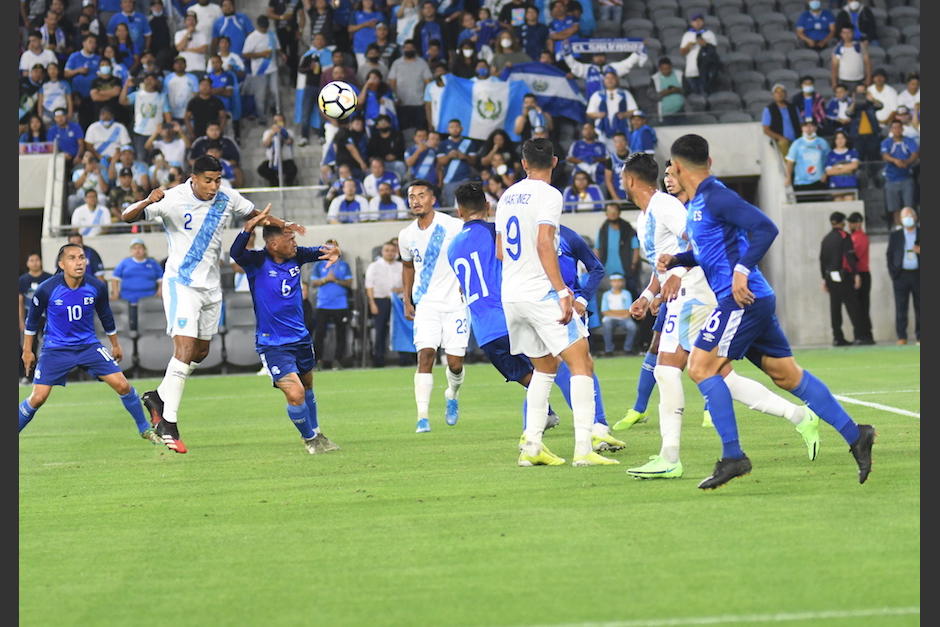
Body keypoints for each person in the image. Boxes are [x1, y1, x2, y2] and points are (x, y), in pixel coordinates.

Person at [659, 133, 875, 489]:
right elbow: (711, 251)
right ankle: (857, 434)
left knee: (700, 366)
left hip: (740, 299)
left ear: (678, 168)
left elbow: (765, 227)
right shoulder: (700, 203)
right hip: (754, 298)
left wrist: (742, 271)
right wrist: (679, 259)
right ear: (708, 162)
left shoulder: (716, 196)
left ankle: (733, 457)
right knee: (787, 376)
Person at [121, 155, 305, 454]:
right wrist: (146, 200)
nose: (213, 186)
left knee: (200, 352)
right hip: (182, 284)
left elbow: (253, 212)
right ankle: (169, 421)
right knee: (183, 348)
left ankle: (158, 396)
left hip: (210, 286)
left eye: (217, 179)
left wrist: (283, 224)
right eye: (208, 180)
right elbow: (127, 215)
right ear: (192, 178)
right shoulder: (171, 199)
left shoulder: (226, 197)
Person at [447, 181, 624, 452]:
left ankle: (534, 434)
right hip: (514, 310)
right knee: (573, 363)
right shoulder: (497, 232)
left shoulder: (453, 247)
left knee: (540, 375)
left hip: (484, 333)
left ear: (459, 213)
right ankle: (596, 430)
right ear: (488, 207)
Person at [494, 138, 616, 466]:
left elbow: (500, 250)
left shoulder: (506, 196)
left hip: (512, 294)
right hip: (540, 294)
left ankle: (532, 447)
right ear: (555, 161)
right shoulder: (549, 195)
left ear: (522, 163)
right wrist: (563, 292)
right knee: (582, 364)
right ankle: (583, 450)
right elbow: (545, 242)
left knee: (545, 368)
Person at [19, 243, 162, 446]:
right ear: (61, 264)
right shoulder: (47, 289)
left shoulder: (96, 286)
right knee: (37, 398)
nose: (79, 262)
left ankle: (144, 429)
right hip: (56, 349)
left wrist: (115, 344)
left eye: (81, 257)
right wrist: (27, 350)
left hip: (89, 346)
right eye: (73, 258)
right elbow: (31, 321)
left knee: (122, 385)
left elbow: (106, 316)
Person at [229, 207, 340, 453]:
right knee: (295, 392)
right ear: (274, 243)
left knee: (308, 387)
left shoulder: (297, 256)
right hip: (272, 344)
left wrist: (335, 252)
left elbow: (326, 250)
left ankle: (318, 433)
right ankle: (310, 440)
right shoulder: (256, 261)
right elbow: (235, 252)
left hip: (300, 338)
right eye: (289, 240)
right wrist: (248, 227)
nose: (294, 243)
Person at [398, 180, 468, 432]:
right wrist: (407, 299)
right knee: (425, 355)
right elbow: (407, 267)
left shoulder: (453, 226)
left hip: (455, 304)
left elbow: (472, 251)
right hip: (426, 303)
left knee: (455, 363)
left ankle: (452, 395)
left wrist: (467, 281)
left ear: (433, 199)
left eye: (421, 195)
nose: (415, 200)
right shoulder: (406, 235)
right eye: (411, 196)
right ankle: (422, 417)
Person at [820, 211, 864, 346]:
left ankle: (837, 337)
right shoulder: (845, 237)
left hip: (830, 277)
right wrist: (856, 274)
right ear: (842, 223)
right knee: (853, 306)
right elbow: (849, 257)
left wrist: (824, 279)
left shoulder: (826, 239)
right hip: (843, 276)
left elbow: (822, 260)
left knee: (835, 308)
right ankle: (859, 335)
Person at [309, 238, 353, 370]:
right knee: (320, 334)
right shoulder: (318, 265)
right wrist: (326, 279)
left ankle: (338, 361)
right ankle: (317, 361)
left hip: (341, 305)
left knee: (341, 333)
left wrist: (336, 280)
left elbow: (349, 282)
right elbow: (314, 283)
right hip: (323, 304)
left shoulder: (344, 265)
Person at [365, 241, 404, 367]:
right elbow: (369, 286)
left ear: (396, 252)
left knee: (401, 329)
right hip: (380, 300)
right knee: (380, 330)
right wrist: (372, 303)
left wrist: (400, 290)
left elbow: (408, 284)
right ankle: (379, 359)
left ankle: (404, 358)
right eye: (387, 250)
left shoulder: (401, 266)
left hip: (398, 301)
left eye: (392, 251)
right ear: (382, 252)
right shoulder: (374, 266)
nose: (390, 253)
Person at [886, 207, 920, 345]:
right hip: (901, 275)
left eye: (909, 215)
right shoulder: (896, 235)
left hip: (918, 274)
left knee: (920, 307)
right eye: (904, 216)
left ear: (915, 217)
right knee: (901, 307)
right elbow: (889, 255)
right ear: (900, 219)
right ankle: (902, 336)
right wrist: (894, 272)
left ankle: (920, 336)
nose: (907, 219)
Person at [564, 49, 648, 103]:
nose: (599, 58)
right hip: (592, 103)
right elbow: (574, 65)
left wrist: (637, 53)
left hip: (611, 102)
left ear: (605, 57)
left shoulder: (612, 68)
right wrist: (567, 54)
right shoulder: (588, 69)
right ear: (593, 58)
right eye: (597, 56)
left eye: (601, 56)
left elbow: (627, 63)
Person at [242, 15, 282, 125]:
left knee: (275, 91)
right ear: (258, 26)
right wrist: (261, 54)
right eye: (263, 27)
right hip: (260, 70)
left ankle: (275, 110)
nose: (264, 29)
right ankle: (262, 117)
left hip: (273, 68)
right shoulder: (252, 38)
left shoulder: (271, 34)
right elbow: (245, 54)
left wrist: (281, 55)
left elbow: (277, 48)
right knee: (260, 95)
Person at [586, 70, 637, 153]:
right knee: (605, 154)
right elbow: (589, 113)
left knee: (623, 154)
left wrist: (624, 114)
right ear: (604, 80)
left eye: (612, 78)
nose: (610, 80)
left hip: (622, 130)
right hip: (603, 130)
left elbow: (634, 110)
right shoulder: (597, 95)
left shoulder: (625, 93)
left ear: (616, 80)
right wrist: (598, 115)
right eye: (607, 78)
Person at [595, 203, 640, 297]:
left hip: (626, 269)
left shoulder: (627, 228)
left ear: (619, 213)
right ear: (606, 214)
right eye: (610, 212)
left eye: (614, 212)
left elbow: (635, 248)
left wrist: (633, 264)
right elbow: (597, 249)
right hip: (607, 269)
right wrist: (597, 265)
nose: (612, 214)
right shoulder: (603, 229)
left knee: (631, 294)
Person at [881, 120, 919, 229]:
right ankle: (898, 227)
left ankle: (910, 227)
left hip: (906, 177)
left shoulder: (909, 141)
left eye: (899, 127)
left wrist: (906, 162)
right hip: (891, 178)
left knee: (909, 205)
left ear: (902, 129)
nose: (897, 130)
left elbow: (915, 154)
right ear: (891, 130)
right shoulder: (886, 142)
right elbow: (885, 155)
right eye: (894, 127)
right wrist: (895, 161)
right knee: (894, 207)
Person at [387, 39, 432, 132]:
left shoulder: (422, 63)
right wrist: (395, 98)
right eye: (406, 48)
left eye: (411, 48)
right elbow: (392, 83)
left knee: (420, 130)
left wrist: (427, 99)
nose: (409, 50)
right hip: (402, 103)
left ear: (415, 49)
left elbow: (429, 82)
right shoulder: (397, 63)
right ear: (403, 49)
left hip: (419, 103)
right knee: (404, 130)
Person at [437, 119, 481, 207]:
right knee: (451, 208)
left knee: (466, 206)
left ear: (461, 128)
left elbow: (474, 161)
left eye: (457, 127)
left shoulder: (469, 143)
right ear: (448, 129)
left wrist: (464, 156)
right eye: (452, 127)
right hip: (449, 181)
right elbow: (440, 162)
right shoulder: (443, 144)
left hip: (465, 180)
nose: (455, 129)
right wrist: (449, 156)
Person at [846, 212, 874, 345]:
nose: (849, 225)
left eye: (852, 222)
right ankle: (864, 335)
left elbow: (854, 257)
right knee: (859, 306)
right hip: (860, 273)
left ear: (858, 223)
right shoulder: (854, 237)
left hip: (861, 274)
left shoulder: (859, 238)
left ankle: (864, 335)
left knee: (861, 306)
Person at [785, 117, 830, 197]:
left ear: (816, 127)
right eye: (806, 126)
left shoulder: (823, 142)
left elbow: (829, 160)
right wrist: (788, 178)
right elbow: (790, 162)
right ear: (802, 128)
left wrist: (826, 174)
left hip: (818, 182)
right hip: (801, 182)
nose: (808, 128)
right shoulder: (797, 143)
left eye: (811, 125)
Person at [110, 237, 163, 304]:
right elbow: (115, 279)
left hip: (149, 299)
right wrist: (115, 293)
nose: (137, 250)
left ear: (144, 250)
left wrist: (160, 290)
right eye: (134, 248)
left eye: (140, 248)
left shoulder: (153, 263)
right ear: (131, 251)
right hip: (128, 299)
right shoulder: (124, 263)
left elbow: (161, 279)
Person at [679, 13, 716, 95]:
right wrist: (689, 46)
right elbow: (682, 52)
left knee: (704, 96)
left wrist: (705, 44)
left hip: (705, 71)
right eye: (695, 21)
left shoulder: (709, 34)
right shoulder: (687, 35)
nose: (697, 22)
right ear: (691, 23)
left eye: (699, 20)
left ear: (703, 22)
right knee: (694, 98)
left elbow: (713, 52)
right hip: (691, 71)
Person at [19, 253, 53, 343]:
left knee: (47, 345)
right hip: (29, 318)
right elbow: (20, 301)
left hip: (47, 318)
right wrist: (21, 321)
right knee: (30, 346)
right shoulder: (22, 280)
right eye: (32, 260)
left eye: (37, 260)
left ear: (41, 261)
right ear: (27, 263)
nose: (35, 263)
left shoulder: (50, 278)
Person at [599, 274, 637, 355]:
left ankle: (628, 349)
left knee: (632, 327)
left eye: (619, 281)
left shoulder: (627, 294)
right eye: (614, 281)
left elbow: (628, 311)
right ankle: (608, 350)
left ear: (622, 282)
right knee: (606, 323)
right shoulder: (606, 294)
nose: (617, 283)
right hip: (610, 318)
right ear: (611, 283)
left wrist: (612, 312)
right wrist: (620, 313)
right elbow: (604, 311)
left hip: (624, 318)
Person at [258, 113, 298, 186]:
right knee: (262, 169)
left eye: (280, 121)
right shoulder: (268, 132)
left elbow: (289, 141)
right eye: (275, 122)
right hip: (272, 161)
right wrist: (272, 134)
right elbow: (266, 144)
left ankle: (289, 184)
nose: (278, 124)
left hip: (285, 160)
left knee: (292, 169)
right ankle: (274, 182)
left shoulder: (289, 132)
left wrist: (282, 133)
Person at [762, 84, 800, 159]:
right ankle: (790, 168)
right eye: (777, 92)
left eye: (782, 92)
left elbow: (801, 124)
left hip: (796, 139)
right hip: (780, 140)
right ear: (773, 95)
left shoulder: (793, 107)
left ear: (786, 94)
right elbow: (766, 130)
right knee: (783, 143)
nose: (780, 94)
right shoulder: (769, 109)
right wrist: (781, 138)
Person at [831, 26, 870, 93]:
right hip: (843, 81)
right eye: (844, 33)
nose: (846, 35)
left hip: (859, 80)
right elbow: (834, 67)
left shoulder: (860, 46)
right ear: (841, 34)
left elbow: (867, 63)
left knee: (859, 102)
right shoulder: (837, 48)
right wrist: (834, 83)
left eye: (849, 32)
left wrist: (868, 79)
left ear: (853, 33)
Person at [824, 130, 860, 200]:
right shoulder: (830, 155)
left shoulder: (852, 152)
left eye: (842, 138)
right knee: (838, 206)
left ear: (846, 139)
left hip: (849, 184)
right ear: (835, 140)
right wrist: (847, 169)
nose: (840, 140)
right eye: (837, 138)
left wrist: (837, 167)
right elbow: (829, 172)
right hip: (835, 184)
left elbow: (854, 166)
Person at [649, 56, 684, 125]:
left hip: (681, 112)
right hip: (665, 114)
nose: (666, 71)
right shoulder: (654, 78)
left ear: (671, 67)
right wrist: (664, 93)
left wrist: (677, 90)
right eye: (663, 69)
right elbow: (651, 95)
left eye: (668, 68)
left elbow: (688, 90)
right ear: (659, 68)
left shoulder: (679, 74)